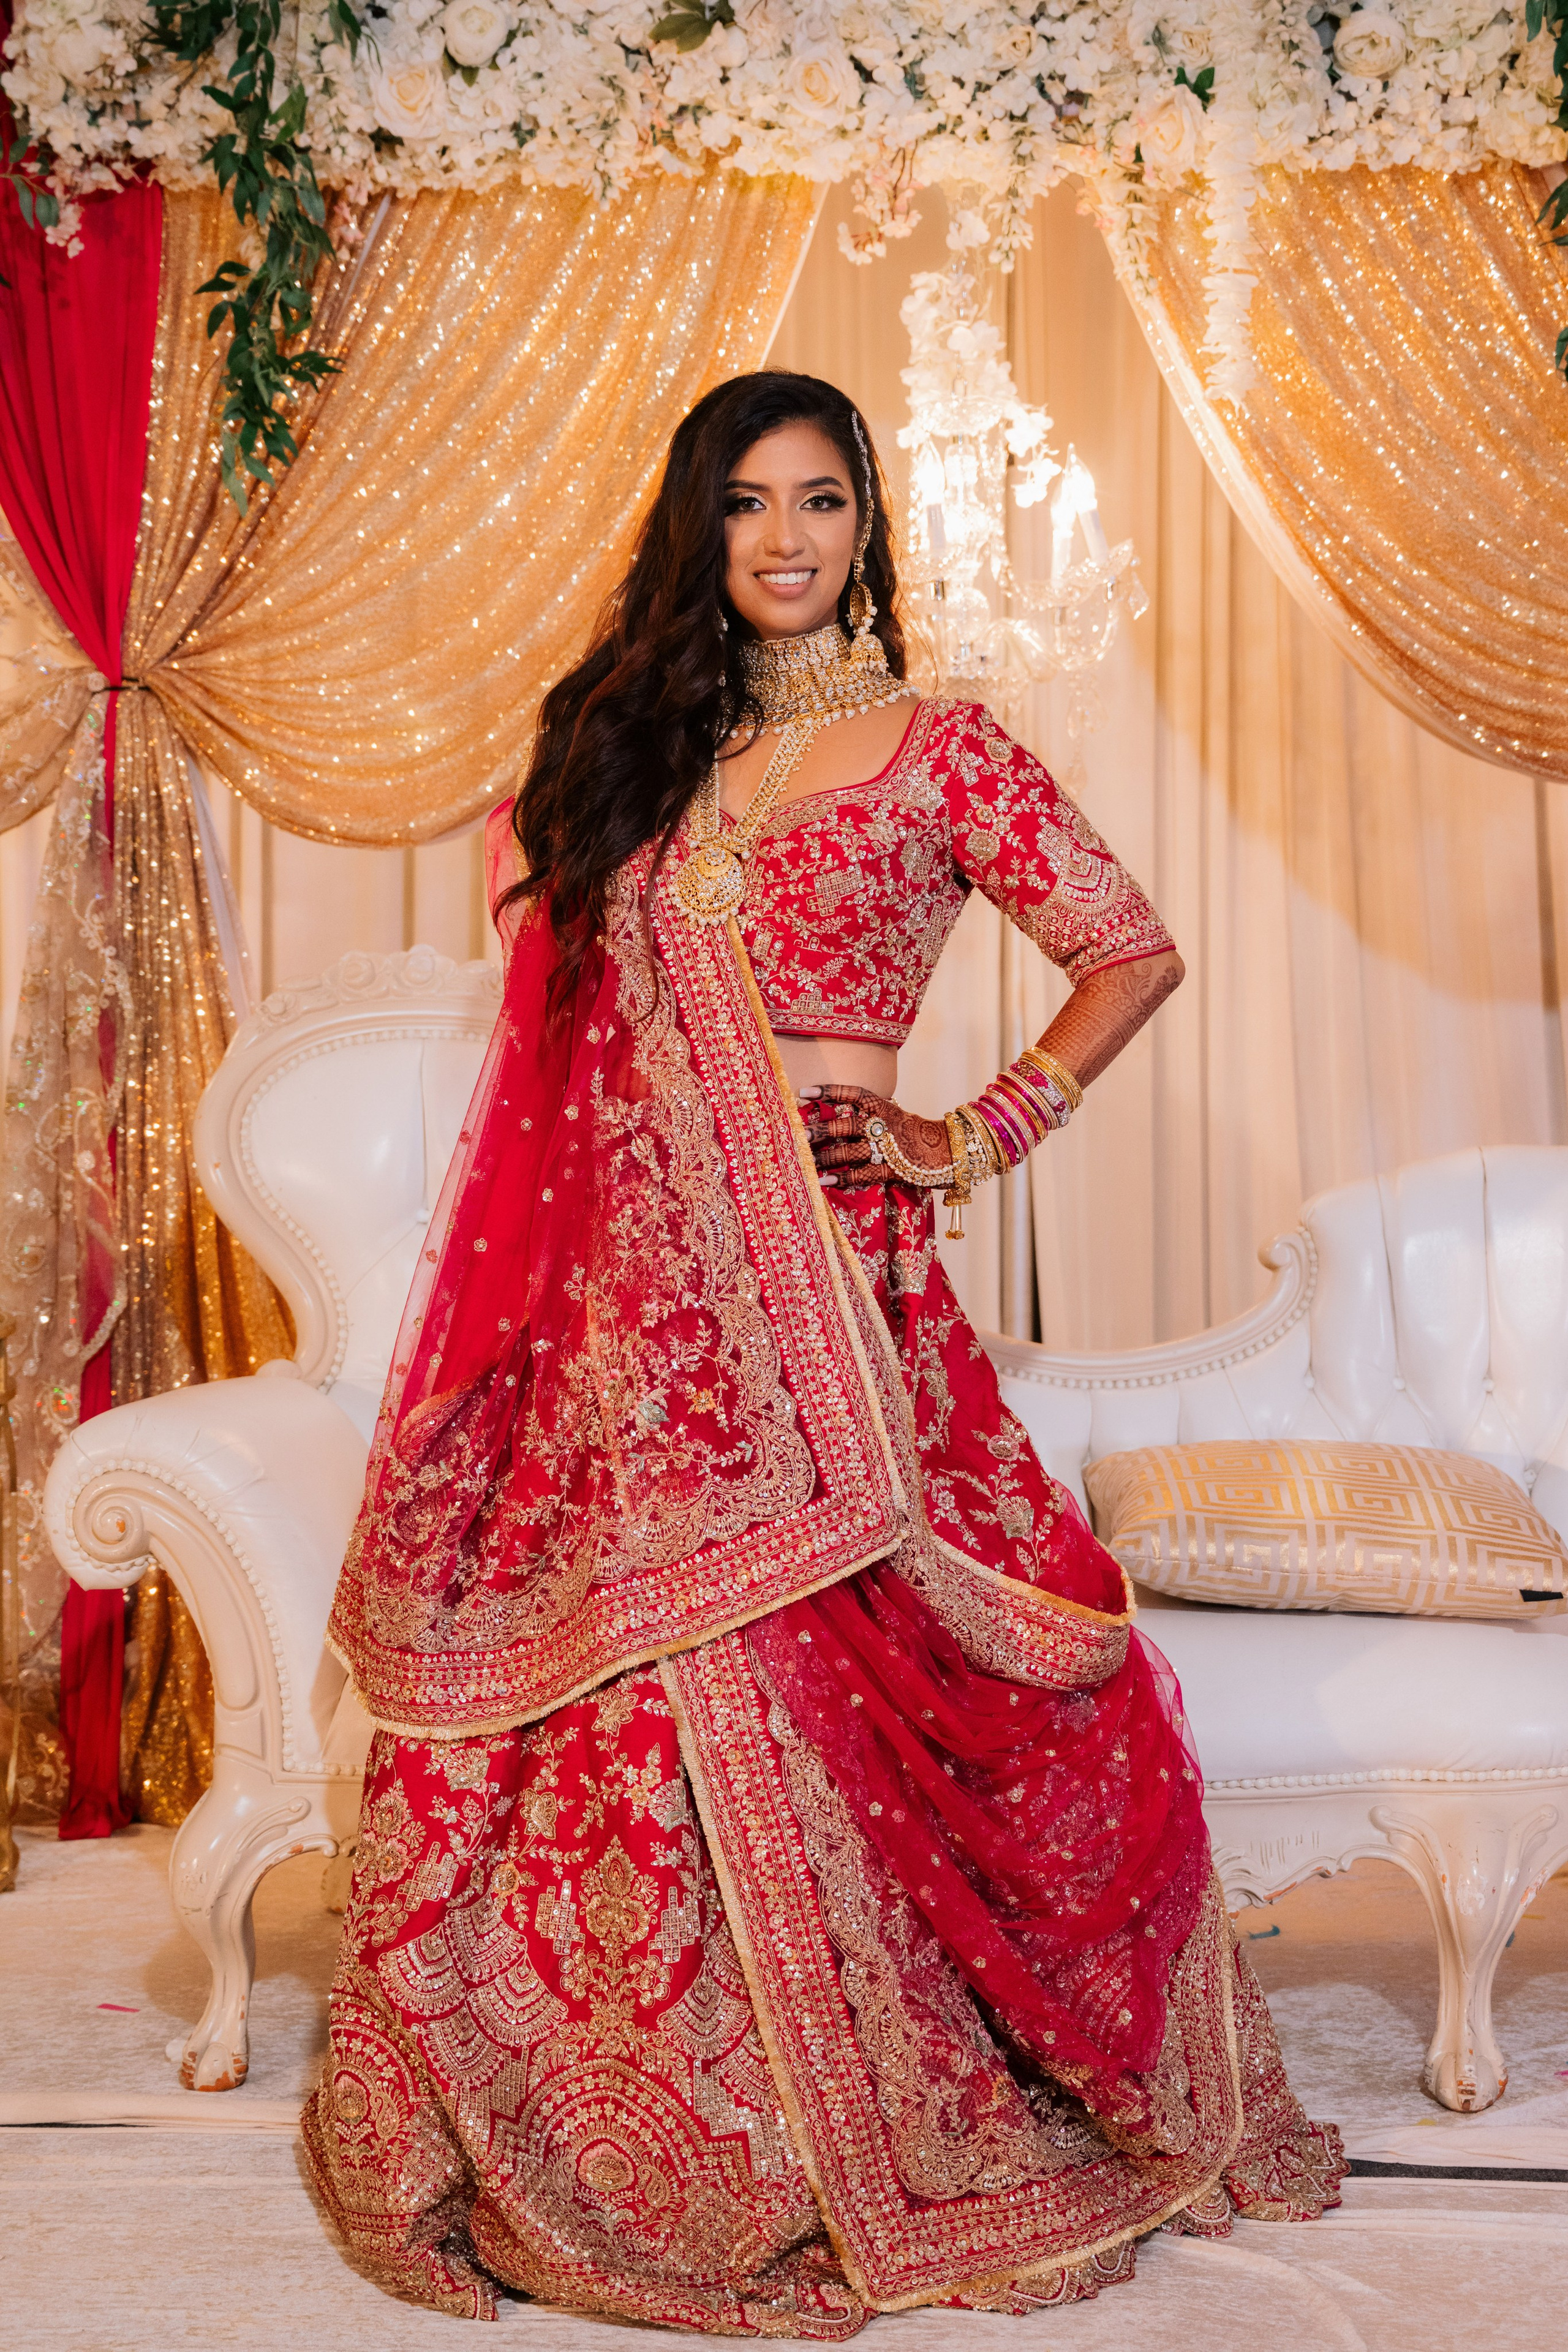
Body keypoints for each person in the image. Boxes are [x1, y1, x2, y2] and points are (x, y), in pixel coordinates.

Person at [303, 372, 1343, 2330]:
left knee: (867, 1668)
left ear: (870, 528)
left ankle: (891, 2110)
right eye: (747, 505)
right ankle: (668, 2117)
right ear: (699, 530)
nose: (784, 539)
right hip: (642, 1307)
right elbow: (567, 1063)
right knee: (638, 1707)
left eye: (822, 502)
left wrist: (977, 1131)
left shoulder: (946, 750)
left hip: (844, 1288)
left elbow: (1129, 947)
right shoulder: (644, 760)